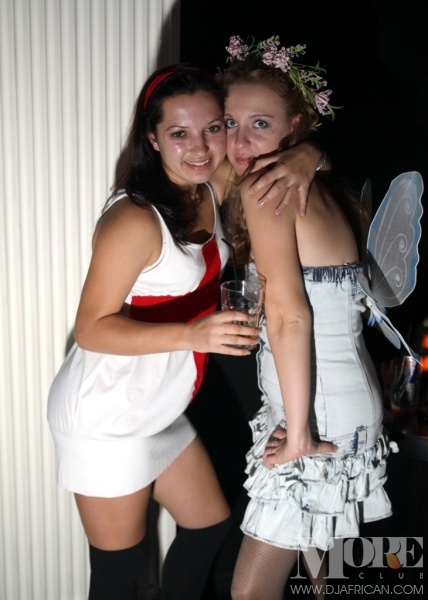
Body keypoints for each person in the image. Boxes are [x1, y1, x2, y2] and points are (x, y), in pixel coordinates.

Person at [47, 63, 326, 600]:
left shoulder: (210, 187)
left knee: (208, 527)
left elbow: (278, 166)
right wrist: (196, 336)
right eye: (179, 133)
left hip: (159, 402)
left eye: (213, 128)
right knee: (117, 577)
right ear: (152, 138)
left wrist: (307, 153)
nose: (200, 147)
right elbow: (92, 329)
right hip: (108, 416)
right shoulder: (134, 220)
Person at [220, 36, 394, 599]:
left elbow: (292, 317)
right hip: (338, 404)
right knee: (330, 577)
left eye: (260, 124)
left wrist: (297, 436)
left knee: (251, 592)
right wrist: (310, 151)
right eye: (231, 123)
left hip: (318, 416)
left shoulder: (266, 188)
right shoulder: (308, 182)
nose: (239, 141)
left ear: (294, 123)